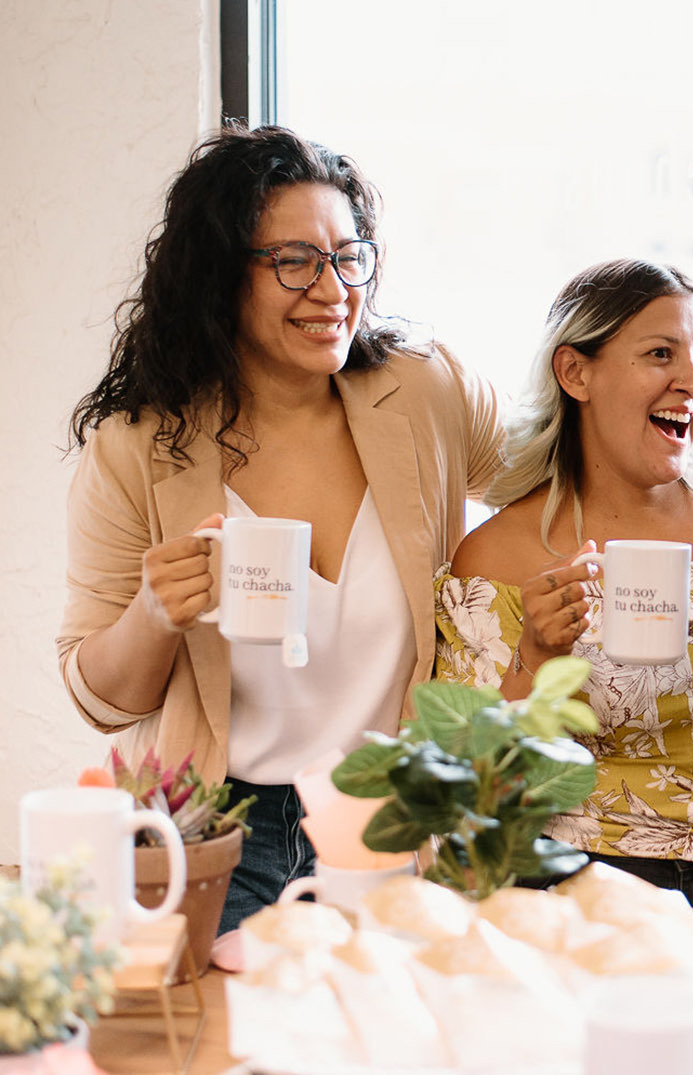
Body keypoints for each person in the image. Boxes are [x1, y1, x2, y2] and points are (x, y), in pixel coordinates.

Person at [59, 126, 505, 933]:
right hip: (223, 824)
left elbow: (561, 465)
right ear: (220, 274)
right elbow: (98, 695)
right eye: (295, 261)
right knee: (228, 1015)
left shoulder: (424, 392)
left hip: (394, 807)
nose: (332, 289)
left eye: (348, 257)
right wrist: (154, 614)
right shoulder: (136, 447)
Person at [434, 258, 693, 984]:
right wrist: (532, 656)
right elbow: (470, 786)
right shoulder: (498, 553)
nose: (692, 381)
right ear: (575, 372)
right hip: (594, 898)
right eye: (660, 353)